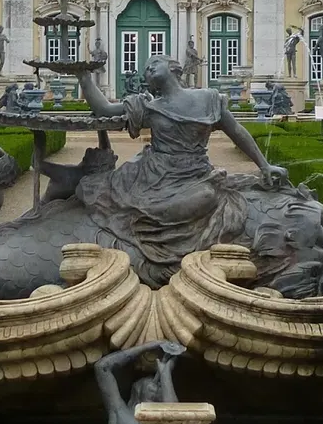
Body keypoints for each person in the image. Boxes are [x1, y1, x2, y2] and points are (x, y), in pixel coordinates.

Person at [77, 54, 288, 287]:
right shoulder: (148, 107)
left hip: (194, 174)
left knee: (206, 196)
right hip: (153, 175)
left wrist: (264, 165)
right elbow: (104, 109)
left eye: (154, 63)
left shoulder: (208, 98)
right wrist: (84, 77)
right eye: (146, 69)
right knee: (101, 191)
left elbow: (236, 131)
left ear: (174, 68)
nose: (148, 69)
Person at [95, 340, 185, 424]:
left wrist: (165, 374)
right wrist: (149, 346)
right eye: (151, 381)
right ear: (136, 388)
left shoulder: (163, 423)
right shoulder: (120, 413)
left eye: (160, 386)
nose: (156, 386)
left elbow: (175, 417)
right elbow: (102, 367)